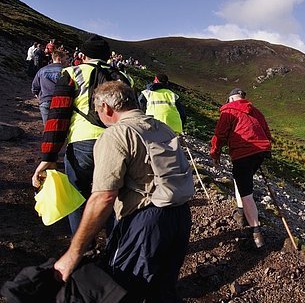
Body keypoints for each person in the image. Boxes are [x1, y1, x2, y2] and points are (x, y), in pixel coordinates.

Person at [52, 81, 192, 302]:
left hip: (145, 221)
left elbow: (103, 197)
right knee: (163, 289)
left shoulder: (116, 135)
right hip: (180, 216)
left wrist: (73, 253)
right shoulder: (161, 127)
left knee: (124, 289)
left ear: (106, 108)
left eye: (98, 111)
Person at [31, 35, 131, 235]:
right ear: (106, 57)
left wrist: (48, 157)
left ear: (83, 55)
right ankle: (116, 248)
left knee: (77, 193)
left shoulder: (71, 73)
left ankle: (83, 247)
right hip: (118, 144)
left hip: (82, 145)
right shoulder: (123, 78)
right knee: (115, 195)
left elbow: (58, 116)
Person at [210, 87, 272, 248]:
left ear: (230, 99)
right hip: (260, 151)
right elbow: (266, 131)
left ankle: (256, 233)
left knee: (246, 194)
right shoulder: (256, 111)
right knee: (242, 181)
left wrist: (215, 153)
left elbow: (220, 135)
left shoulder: (229, 111)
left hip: (243, 154)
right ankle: (240, 212)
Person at [31, 49, 69, 125]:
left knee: (48, 128)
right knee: (61, 127)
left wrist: (39, 97)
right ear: (59, 58)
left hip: (45, 101)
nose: (67, 61)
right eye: (65, 59)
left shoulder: (42, 70)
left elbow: (34, 87)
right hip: (61, 102)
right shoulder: (66, 71)